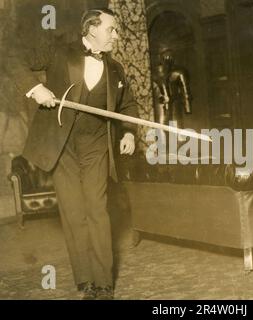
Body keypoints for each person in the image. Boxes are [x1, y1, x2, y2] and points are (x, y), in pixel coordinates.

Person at [9, 8, 138, 299]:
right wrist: (35, 89)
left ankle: (104, 284)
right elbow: (12, 58)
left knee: (97, 210)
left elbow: (127, 104)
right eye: (111, 29)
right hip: (62, 146)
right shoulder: (58, 52)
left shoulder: (116, 69)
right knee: (73, 213)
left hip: (95, 145)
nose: (116, 35)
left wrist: (128, 130)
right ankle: (86, 282)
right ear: (91, 29)